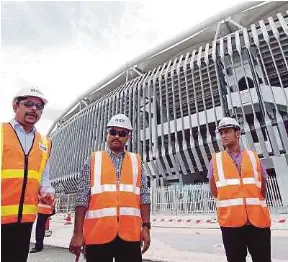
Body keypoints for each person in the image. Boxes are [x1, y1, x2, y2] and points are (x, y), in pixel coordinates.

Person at [69, 114, 151, 262]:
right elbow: (81, 198)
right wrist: (77, 233)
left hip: (130, 236)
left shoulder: (136, 161)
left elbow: (144, 196)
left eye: (122, 133)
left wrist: (146, 227)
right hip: (98, 235)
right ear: (107, 134)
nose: (116, 136)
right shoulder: (93, 160)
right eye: (113, 132)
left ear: (128, 137)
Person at [1, 87, 55, 262]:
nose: (34, 109)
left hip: (25, 220)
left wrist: (48, 191)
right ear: (15, 105)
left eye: (39, 107)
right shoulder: (1, 132)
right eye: (29, 104)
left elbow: (43, 177)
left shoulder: (45, 142)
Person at [208, 117, 271, 262]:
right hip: (231, 224)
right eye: (221, 133)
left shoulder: (253, 157)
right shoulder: (215, 160)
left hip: (258, 223)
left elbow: (263, 187)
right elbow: (214, 190)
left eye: (227, 131)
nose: (223, 135)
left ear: (237, 133)